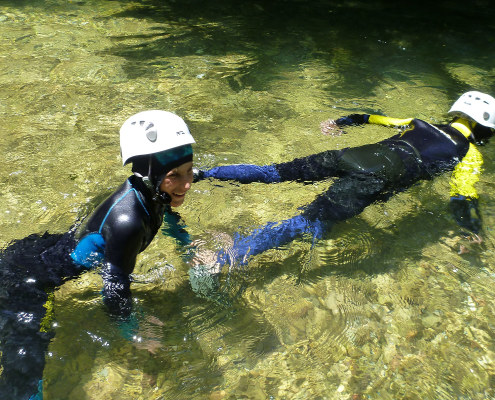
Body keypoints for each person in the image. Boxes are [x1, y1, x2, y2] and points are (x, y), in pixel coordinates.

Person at [0, 110, 196, 399]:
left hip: (36, 252)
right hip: (27, 283)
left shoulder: (152, 190)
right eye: (175, 176)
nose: (188, 183)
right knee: (25, 379)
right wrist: (136, 333)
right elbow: (114, 289)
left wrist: (187, 247)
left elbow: (166, 213)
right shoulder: (127, 222)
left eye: (190, 170)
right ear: (152, 175)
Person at [194, 91, 495, 270]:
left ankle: (200, 174)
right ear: (485, 131)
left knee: (271, 171)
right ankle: (221, 260)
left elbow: (369, 118)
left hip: (353, 155)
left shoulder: (418, 122)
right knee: (307, 223)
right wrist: (472, 230)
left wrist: (339, 122)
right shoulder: (469, 154)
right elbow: (462, 195)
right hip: (376, 178)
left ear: (456, 111)